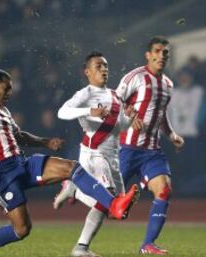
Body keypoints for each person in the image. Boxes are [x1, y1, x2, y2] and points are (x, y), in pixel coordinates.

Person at [0, 69, 139, 257]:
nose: (9, 94)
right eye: (6, 89)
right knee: (22, 229)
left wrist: (45, 142)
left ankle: (114, 204)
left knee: (71, 168)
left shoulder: (3, 111)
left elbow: (19, 136)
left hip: (22, 163)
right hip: (1, 172)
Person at [53, 51, 140, 257]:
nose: (104, 69)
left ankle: (74, 190)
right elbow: (62, 112)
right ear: (87, 72)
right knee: (109, 201)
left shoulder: (114, 96)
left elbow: (118, 128)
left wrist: (129, 119)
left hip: (113, 158)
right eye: (99, 66)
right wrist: (88, 111)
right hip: (94, 154)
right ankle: (80, 246)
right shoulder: (86, 93)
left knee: (119, 212)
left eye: (106, 66)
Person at [116, 36, 184, 255]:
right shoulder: (135, 77)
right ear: (148, 54)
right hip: (127, 149)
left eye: (166, 52)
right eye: (158, 51)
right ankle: (74, 187)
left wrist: (171, 134)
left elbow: (160, 115)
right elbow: (115, 101)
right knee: (104, 201)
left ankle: (148, 244)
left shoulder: (168, 85)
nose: (162, 55)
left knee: (164, 190)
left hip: (152, 151)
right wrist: (130, 114)